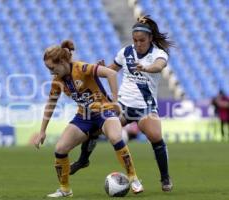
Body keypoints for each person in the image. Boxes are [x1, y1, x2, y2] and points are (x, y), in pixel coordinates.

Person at [70, 15, 174, 192]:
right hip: (123, 104)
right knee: (96, 129)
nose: (138, 43)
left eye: (141, 40)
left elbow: (158, 66)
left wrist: (146, 68)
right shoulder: (125, 52)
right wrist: (100, 69)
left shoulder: (159, 54)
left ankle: (165, 178)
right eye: (135, 40)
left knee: (156, 138)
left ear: (150, 38)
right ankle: (83, 160)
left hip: (145, 107)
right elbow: (111, 71)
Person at [34, 40, 143, 197]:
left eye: (52, 68)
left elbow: (111, 73)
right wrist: (42, 131)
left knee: (115, 137)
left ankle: (133, 179)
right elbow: (51, 103)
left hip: (104, 110)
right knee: (60, 149)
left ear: (63, 62)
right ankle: (65, 190)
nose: (51, 72)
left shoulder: (81, 68)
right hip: (83, 116)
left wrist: (115, 102)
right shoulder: (57, 81)